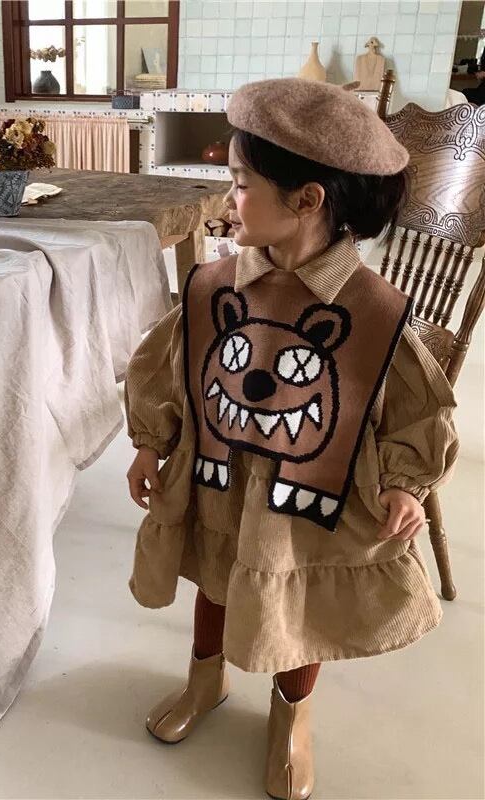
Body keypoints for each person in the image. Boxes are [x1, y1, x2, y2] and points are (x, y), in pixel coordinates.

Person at [123, 78, 458, 800]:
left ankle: (292, 714)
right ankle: (204, 681)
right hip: (222, 476)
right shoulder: (213, 287)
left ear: (306, 200)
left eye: (242, 185)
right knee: (217, 575)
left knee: (294, 599)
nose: (229, 198)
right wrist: (151, 441)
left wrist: (407, 480)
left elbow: (417, 406)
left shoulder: (371, 310)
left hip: (309, 498)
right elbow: (172, 367)